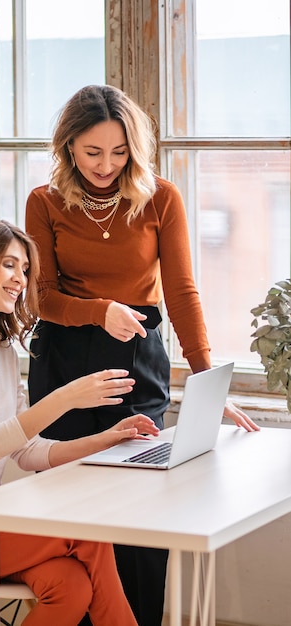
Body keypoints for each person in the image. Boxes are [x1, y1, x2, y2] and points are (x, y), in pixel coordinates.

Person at [25, 84, 260, 626]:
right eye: (92, 152)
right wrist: (98, 311)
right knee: (72, 509)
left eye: (119, 151)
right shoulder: (45, 202)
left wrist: (208, 380)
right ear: (68, 149)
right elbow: (39, 296)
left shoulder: (161, 198)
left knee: (144, 501)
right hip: (64, 358)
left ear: (134, 148)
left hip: (138, 358)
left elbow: (181, 291)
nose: (106, 165)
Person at [0, 215, 162, 626]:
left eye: (24, 268)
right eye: (8, 264)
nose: (20, 278)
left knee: (70, 586)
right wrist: (66, 398)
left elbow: (28, 451)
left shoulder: (0, 347)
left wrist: (107, 439)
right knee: (88, 535)